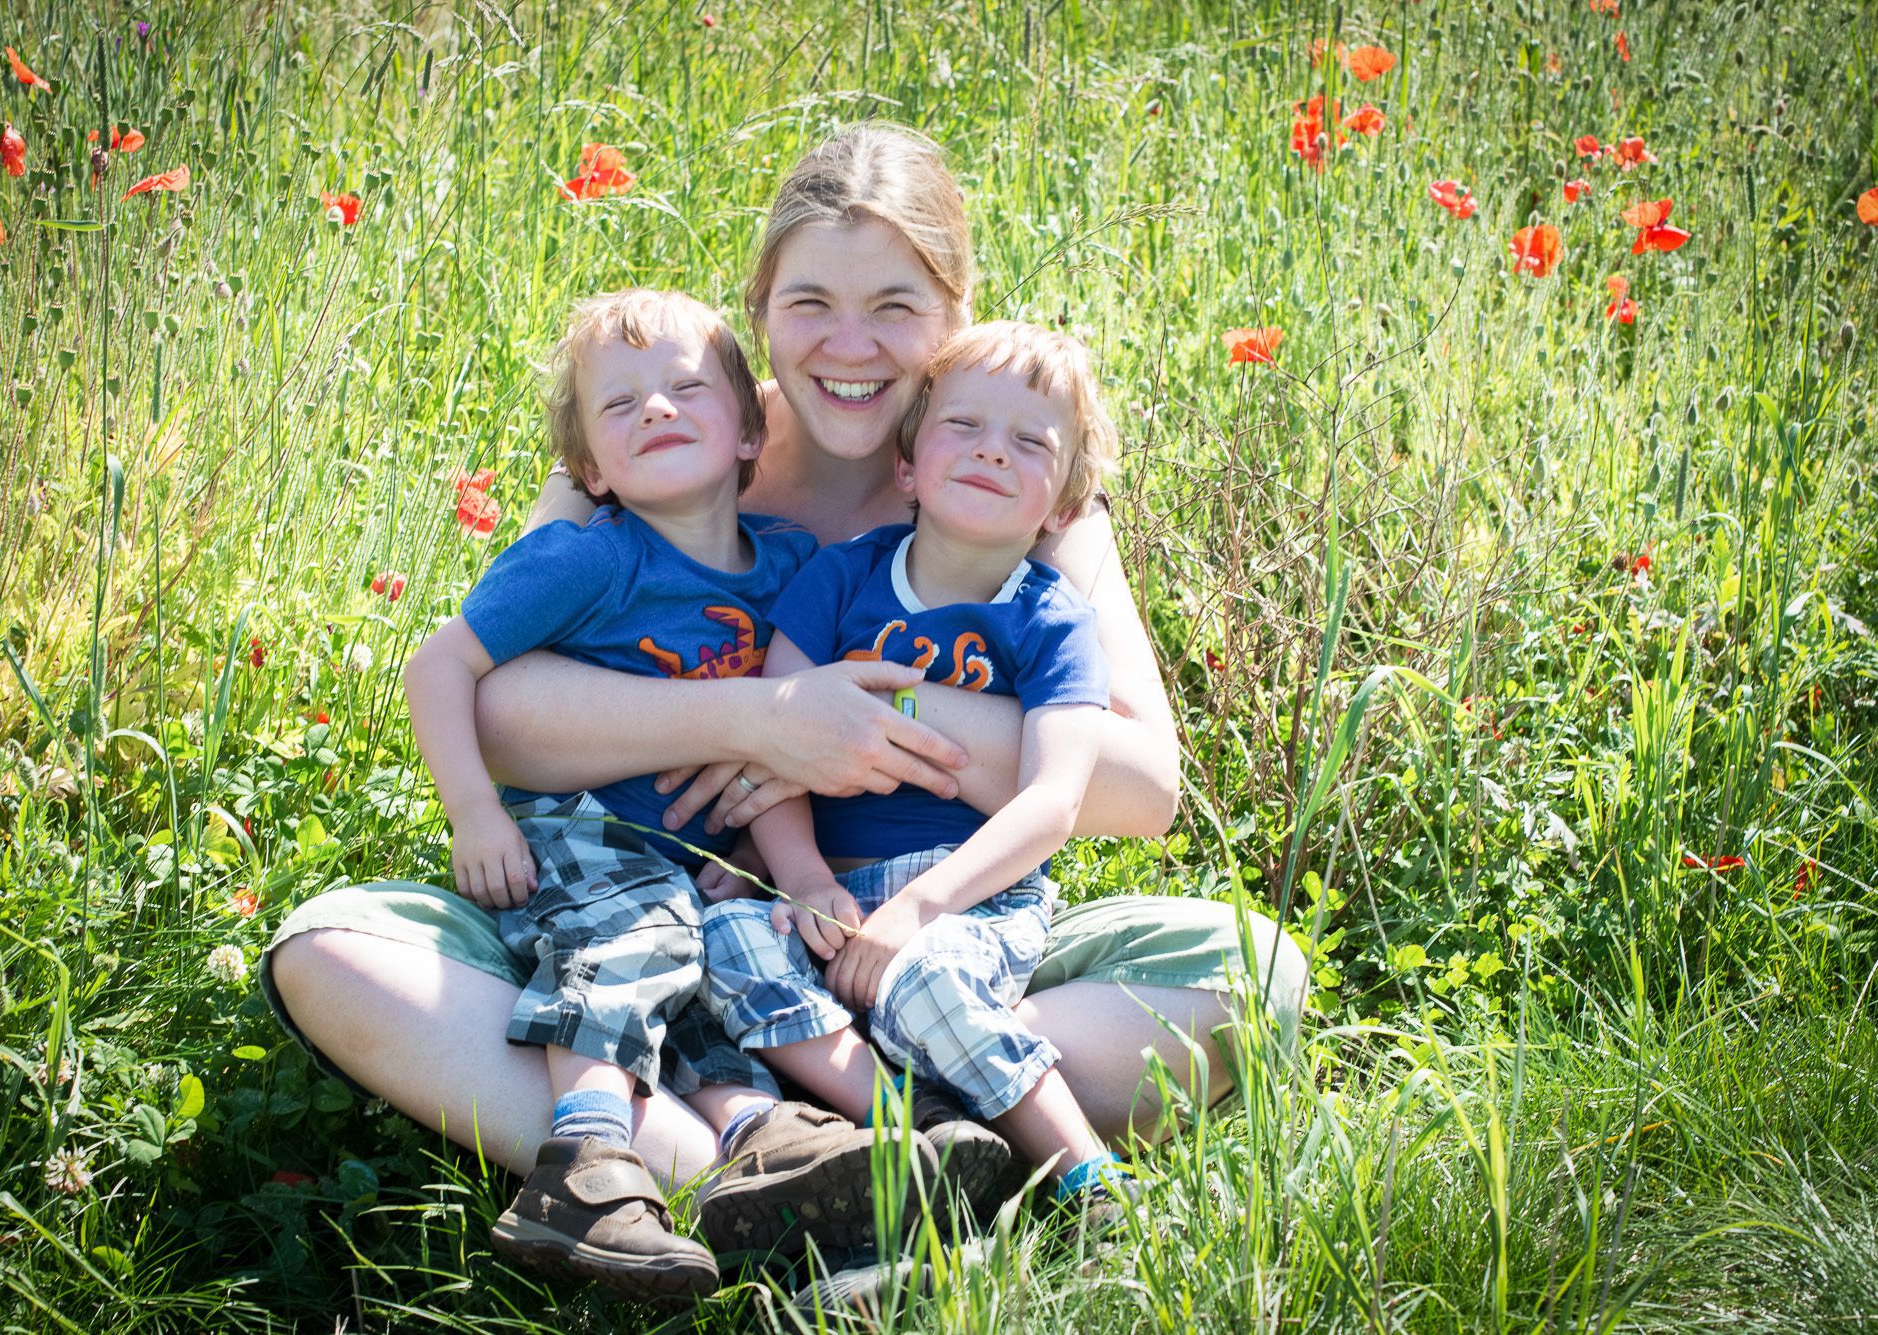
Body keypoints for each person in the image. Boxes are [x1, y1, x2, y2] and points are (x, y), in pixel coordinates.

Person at [260, 122, 1305, 1227]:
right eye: (809, 303)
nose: (847, 347)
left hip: (927, 933)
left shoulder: (1008, 476)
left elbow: (1140, 786)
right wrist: (763, 718)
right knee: (328, 952)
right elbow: (501, 708)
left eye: (895, 307)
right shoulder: (672, 440)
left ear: (956, 315)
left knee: (1256, 973)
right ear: (756, 309)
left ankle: (794, 1146)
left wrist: (867, 713)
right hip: (640, 917)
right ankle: (806, 1154)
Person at [397, 288, 922, 1297]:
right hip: (579, 834)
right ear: (589, 467)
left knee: (724, 974)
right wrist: (471, 811)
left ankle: (766, 1140)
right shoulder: (585, 558)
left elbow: (785, 738)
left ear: (749, 433)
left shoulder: (793, 571)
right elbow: (440, 665)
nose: (656, 409)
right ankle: (581, 1167)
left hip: (699, 860)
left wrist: (788, 866)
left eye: (686, 388)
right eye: (619, 404)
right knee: (634, 938)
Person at [701, 321, 1130, 1221]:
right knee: (723, 940)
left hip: (969, 896)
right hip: (831, 888)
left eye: (1030, 442)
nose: (991, 452)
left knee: (927, 976)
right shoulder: (840, 580)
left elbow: (1053, 802)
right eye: (964, 425)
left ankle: (1088, 1177)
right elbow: (771, 749)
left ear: (1063, 504)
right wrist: (806, 877)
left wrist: (918, 909)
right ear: (907, 464)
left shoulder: (1052, 621)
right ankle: (908, 1133)